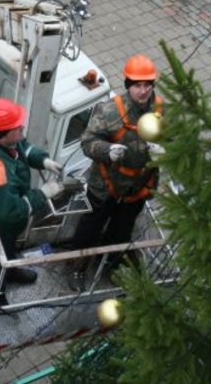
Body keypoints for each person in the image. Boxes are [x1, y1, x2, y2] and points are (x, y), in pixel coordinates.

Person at [68, 54, 166, 290]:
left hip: (138, 187)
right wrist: (106, 150)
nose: (143, 91)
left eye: (147, 85)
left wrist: (166, 151)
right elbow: (87, 141)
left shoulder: (163, 112)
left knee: (121, 230)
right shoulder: (110, 112)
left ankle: (112, 265)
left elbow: (176, 140)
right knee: (89, 229)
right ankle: (76, 267)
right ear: (128, 86)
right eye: (137, 85)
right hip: (105, 186)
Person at [0, 98, 65, 303]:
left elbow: (23, 146)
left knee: (8, 250)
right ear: (3, 135)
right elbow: (10, 211)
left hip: (4, 220)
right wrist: (43, 194)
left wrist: (43, 160)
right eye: (17, 126)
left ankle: (11, 271)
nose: (22, 127)